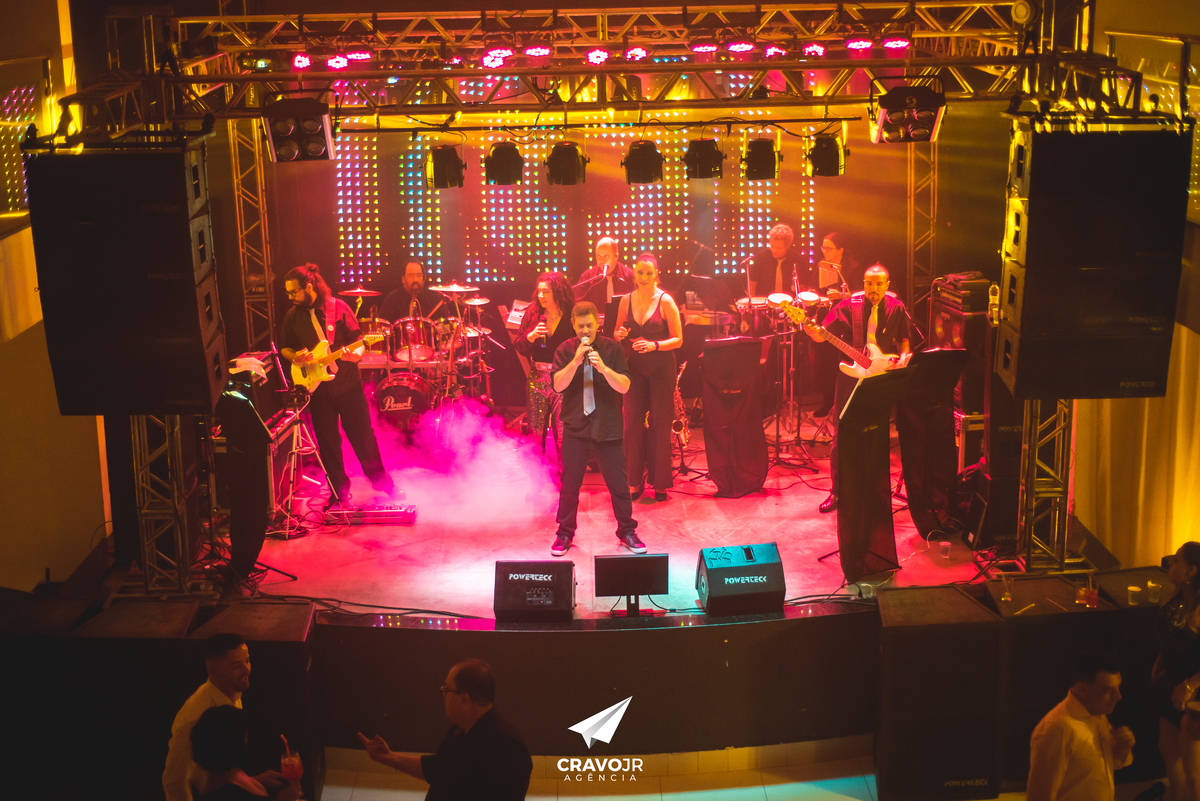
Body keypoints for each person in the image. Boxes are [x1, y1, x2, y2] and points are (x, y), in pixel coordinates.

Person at [279, 263, 396, 508]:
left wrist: (354, 355)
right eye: (287, 293)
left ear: (308, 286)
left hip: (348, 385)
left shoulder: (338, 307)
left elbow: (358, 341)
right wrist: (296, 357)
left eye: (293, 292)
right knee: (328, 444)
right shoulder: (292, 316)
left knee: (363, 437)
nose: (290, 297)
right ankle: (338, 492)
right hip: (317, 390)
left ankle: (384, 484)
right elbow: (284, 347)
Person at [802, 264, 910, 513]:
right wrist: (811, 331)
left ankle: (874, 493)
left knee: (876, 434)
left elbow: (904, 340)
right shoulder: (848, 306)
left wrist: (904, 359)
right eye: (869, 284)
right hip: (850, 377)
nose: (874, 289)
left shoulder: (896, 308)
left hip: (880, 377)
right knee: (842, 435)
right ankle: (837, 492)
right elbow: (821, 335)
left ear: (887, 284)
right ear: (863, 283)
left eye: (879, 284)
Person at [357, 659, 533, 801]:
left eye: (447, 689)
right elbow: (439, 768)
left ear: (464, 699)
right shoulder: (462, 728)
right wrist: (390, 757)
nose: (443, 694)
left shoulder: (505, 750)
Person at [548, 301, 643, 557]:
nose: (585, 331)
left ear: (597, 324)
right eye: (580, 326)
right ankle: (564, 533)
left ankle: (627, 531)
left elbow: (624, 385)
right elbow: (557, 385)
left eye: (589, 325)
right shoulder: (565, 350)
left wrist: (603, 368)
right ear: (573, 325)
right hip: (576, 427)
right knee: (570, 486)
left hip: (607, 426)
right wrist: (576, 362)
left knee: (619, 486)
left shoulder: (612, 349)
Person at [164, 634, 283, 801]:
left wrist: (251, 782)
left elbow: (224, 769)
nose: (246, 669)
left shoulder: (232, 692)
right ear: (212, 671)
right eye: (236, 666)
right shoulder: (195, 718)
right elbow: (174, 782)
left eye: (247, 661)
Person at [613, 254, 684, 502]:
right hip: (634, 367)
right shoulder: (626, 300)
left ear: (656, 275)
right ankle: (633, 481)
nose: (643, 277)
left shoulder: (666, 300)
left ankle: (660, 483)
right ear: (634, 273)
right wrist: (620, 334)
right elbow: (616, 331)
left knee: (660, 425)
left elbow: (678, 340)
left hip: (661, 368)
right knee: (631, 424)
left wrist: (654, 345)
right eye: (640, 273)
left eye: (648, 273)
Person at [1026, 651, 1135, 801]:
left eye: (1118, 687)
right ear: (1082, 689)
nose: (1118, 696)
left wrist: (1122, 748)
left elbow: (1099, 768)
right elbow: (1039, 796)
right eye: (1108, 690)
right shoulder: (1058, 728)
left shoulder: (1098, 715)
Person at [1153, 543, 1200, 801]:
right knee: (1169, 754)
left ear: (1191, 570)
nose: (1170, 563)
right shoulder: (1176, 597)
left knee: (1193, 772)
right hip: (1172, 686)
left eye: (1177, 560)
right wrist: (1161, 661)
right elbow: (1172, 637)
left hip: (1194, 696)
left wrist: (1189, 685)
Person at [514, 272, 576, 462]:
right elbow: (519, 345)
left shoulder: (571, 314)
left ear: (558, 292)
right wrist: (531, 336)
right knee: (535, 432)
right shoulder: (533, 312)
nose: (541, 296)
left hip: (563, 378)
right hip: (538, 376)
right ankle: (537, 476)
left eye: (546, 292)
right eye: (539, 291)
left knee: (563, 432)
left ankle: (566, 477)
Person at [190, 706, 301, 801]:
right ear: (234, 744)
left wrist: (255, 781)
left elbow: (232, 788)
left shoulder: (220, 772)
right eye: (244, 733)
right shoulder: (220, 794)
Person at [813, 232, 862, 416]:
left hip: (847, 321)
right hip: (827, 316)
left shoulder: (853, 268)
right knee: (825, 362)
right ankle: (828, 402)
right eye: (823, 248)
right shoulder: (823, 267)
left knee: (841, 362)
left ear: (840, 250)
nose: (825, 251)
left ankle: (843, 403)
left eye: (829, 248)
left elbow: (861, 294)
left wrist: (842, 296)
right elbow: (816, 288)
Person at [746, 223, 817, 298]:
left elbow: (801, 290)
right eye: (772, 246)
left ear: (787, 246)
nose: (774, 250)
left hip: (789, 303)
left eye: (779, 248)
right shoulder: (761, 258)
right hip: (764, 302)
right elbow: (751, 285)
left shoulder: (798, 261)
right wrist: (752, 303)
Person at [575, 237, 634, 308]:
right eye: (598, 256)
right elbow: (579, 308)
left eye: (606, 256)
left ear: (616, 256)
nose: (601, 261)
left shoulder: (629, 276)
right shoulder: (587, 277)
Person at [380, 260, 447, 322]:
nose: (415, 280)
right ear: (403, 279)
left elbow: (445, 326)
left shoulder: (435, 299)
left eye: (419, 275)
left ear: (423, 278)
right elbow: (383, 327)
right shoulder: (392, 300)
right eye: (411, 276)